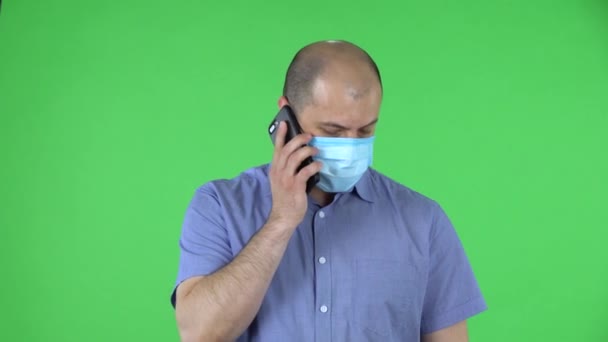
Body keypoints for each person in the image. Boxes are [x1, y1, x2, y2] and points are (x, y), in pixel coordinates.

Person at [170, 40, 487, 342]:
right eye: (333, 131)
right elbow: (200, 334)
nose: (350, 145)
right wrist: (280, 222)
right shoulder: (219, 206)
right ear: (287, 116)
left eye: (365, 130)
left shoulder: (423, 220)